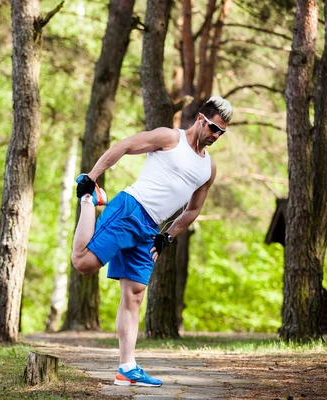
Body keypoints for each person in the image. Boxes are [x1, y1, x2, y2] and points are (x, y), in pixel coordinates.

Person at [71, 96, 233, 387]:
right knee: (83, 264)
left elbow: (193, 209)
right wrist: (92, 177)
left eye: (221, 132)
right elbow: (124, 146)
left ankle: (127, 368)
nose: (215, 135)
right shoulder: (169, 138)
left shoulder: (208, 169)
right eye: (213, 127)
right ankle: (89, 199)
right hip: (130, 209)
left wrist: (166, 237)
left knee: (134, 294)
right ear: (200, 119)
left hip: (150, 228)